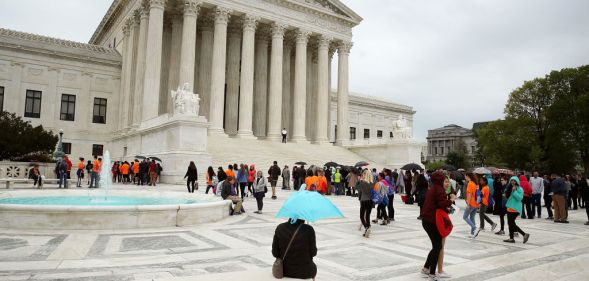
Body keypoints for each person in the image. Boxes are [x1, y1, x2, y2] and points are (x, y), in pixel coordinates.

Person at [420, 171, 455, 280]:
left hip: (427, 220)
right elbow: (442, 203)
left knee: (436, 246)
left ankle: (426, 268)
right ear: (440, 180)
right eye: (444, 180)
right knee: (438, 246)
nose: (447, 183)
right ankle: (432, 273)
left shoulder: (434, 188)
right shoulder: (439, 189)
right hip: (431, 221)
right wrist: (451, 200)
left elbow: (438, 204)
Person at [504, 176, 530, 243]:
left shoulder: (520, 189)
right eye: (512, 180)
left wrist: (515, 191)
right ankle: (511, 238)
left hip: (515, 208)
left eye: (514, 181)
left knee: (511, 223)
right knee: (510, 223)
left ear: (517, 182)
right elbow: (507, 196)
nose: (513, 182)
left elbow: (520, 198)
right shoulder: (509, 188)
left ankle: (524, 234)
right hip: (509, 207)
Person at [357, 169, 374, 237]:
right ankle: (368, 228)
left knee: (362, 216)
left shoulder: (362, 183)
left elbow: (357, 188)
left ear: (364, 175)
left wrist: (359, 180)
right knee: (367, 216)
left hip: (364, 200)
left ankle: (367, 227)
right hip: (370, 201)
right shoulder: (372, 183)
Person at [463, 173, 480, 238]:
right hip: (476, 203)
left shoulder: (470, 184)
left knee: (465, 217)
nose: (465, 178)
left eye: (465, 176)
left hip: (471, 203)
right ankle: (473, 233)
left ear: (468, 176)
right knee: (472, 217)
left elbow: (469, 194)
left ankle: (475, 228)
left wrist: (468, 204)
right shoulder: (476, 183)